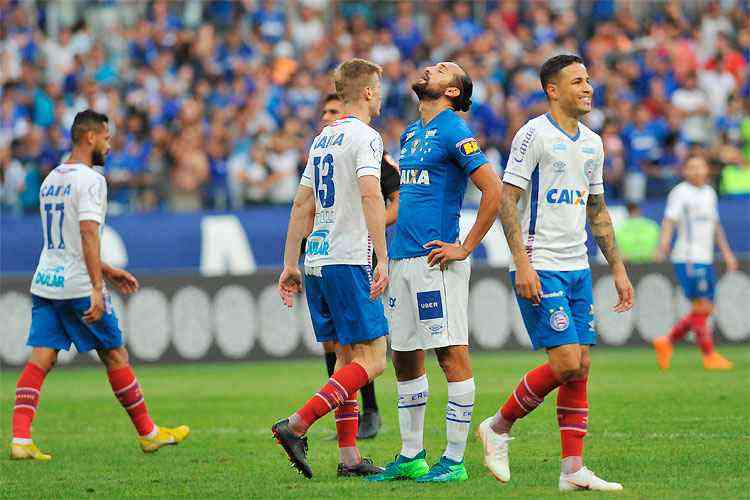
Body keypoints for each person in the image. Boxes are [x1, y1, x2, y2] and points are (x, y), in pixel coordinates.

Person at [477, 54, 634, 492]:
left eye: (589, 80)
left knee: (580, 365)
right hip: (540, 262)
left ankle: (572, 470)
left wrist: (617, 269)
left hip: (577, 265)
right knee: (564, 360)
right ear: (553, 89)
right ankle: (499, 426)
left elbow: (597, 210)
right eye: (578, 81)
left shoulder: (593, 143)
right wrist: (522, 263)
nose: (588, 88)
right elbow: (507, 199)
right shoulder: (534, 134)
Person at [9, 110, 189, 461]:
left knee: (41, 357)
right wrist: (96, 285)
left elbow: (63, 240)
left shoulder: (52, 179)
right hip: (78, 286)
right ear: (90, 137)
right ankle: (148, 433)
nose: (109, 145)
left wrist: (107, 270)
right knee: (114, 353)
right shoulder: (91, 181)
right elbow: (88, 234)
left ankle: (20, 439)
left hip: (47, 282)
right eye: (106, 137)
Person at [367, 62, 501, 483]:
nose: (432, 68)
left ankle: (455, 461)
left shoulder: (453, 131)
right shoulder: (410, 133)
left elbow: (493, 190)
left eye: (444, 70)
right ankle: (411, 456)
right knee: (405, 358)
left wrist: (465, 246)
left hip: (434, 262)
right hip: (403, 259)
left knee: (449, 352)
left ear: (454, 93)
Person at [271, 58, 389, 479]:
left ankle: (349, 457)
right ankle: (297, 424)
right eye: (379, 87)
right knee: (374, 359)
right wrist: (383, 256)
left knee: (345, 359)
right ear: (369, 92)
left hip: (317, 258)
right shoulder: (366, 137)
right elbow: (372, 196)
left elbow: (302, 203)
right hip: (348, 257)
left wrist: (290, 262)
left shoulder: (322, 140)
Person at [318, 93, 401, 439]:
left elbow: (395, 202)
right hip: (327, 252)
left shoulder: (375, 154)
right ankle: (346, 424)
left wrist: (369, 228)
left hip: (358, 252)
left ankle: (370, 411)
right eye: (324, 111)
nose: (327, 117)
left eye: (334, 110)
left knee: (361, 345)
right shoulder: (322, 149)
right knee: (335, 345)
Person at [653, 156, 738, 370]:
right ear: (685, 171)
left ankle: (667, 341)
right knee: (702, 305)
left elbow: (716, 226)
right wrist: (663, 243)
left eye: (700, 166)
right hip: (688, 257)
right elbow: (669, 220)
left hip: (706, 257)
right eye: (692, 167)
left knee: (704, 307)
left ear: (707, 169)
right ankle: (708, 355)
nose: (696, 171)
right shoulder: (680, 193)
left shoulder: (709, 193)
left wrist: (727, 252)